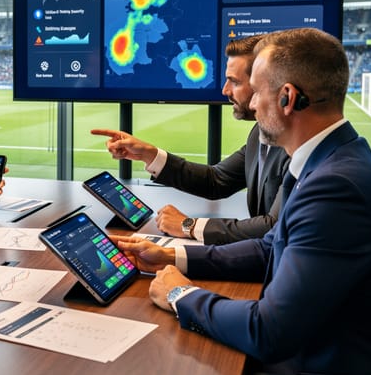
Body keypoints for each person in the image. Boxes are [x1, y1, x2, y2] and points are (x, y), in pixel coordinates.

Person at [113, 28, 371, 375]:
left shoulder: (336, 188)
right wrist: (173, 257)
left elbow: (269, 332)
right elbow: (268, 247)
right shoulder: (330, 160)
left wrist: (181, 294)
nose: (252, 103)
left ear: (288, 98)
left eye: (257, 91)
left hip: (328, 372)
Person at [92, 35, 289, 245]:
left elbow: (274, 227)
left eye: (234, 81)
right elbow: (216, 180)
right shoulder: (258, 134)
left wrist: (189, 225)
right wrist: (149, 154)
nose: (224, 90)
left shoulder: (296, 145)